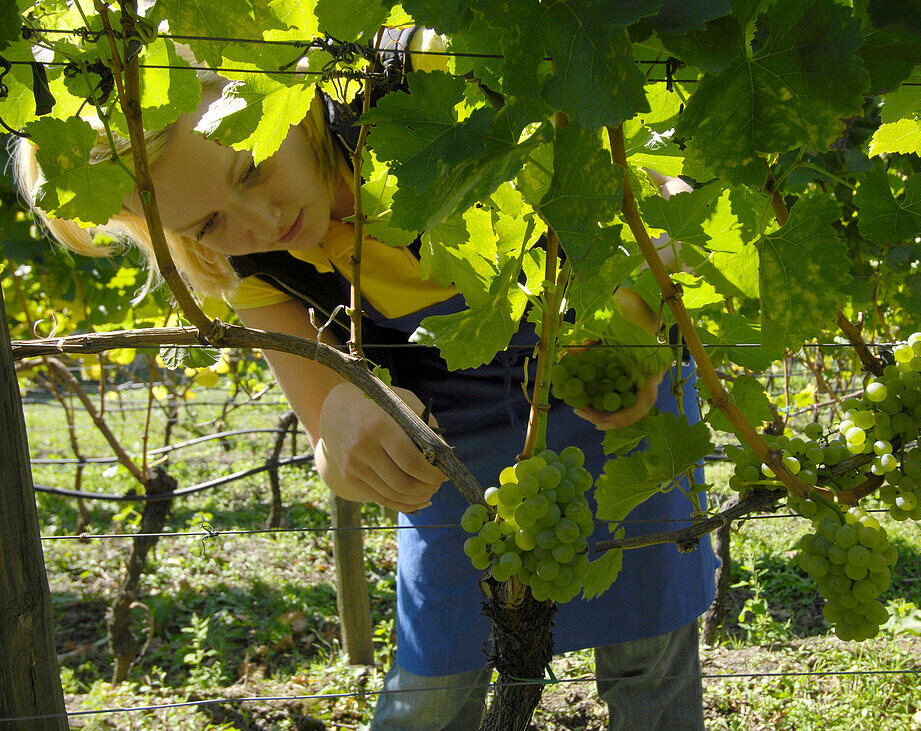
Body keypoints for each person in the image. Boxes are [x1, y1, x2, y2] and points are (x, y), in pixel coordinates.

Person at [13, 36, 716, 730]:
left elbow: (650, 177)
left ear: (278, 91)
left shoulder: (420, 84)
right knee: (430, 693)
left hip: (623, 419)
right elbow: (326, 427)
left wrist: (629, 308)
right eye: (208, 222)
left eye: (252, 169)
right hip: (454, 458)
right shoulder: (257, 274)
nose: (262, 223)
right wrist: (345, 428)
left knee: (650, 660)